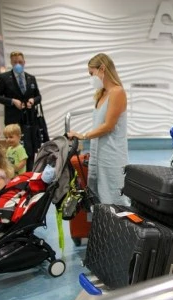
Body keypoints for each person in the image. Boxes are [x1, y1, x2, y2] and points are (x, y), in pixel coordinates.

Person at [67, 53, 130, 206]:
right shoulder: (101, 94)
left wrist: (83, 135)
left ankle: (118, 227)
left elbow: (108, 126)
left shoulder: (117, 92)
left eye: (91, 73)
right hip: (98, 152)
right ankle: (102, 225)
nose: (91, 78)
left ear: (102, 69)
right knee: (97, 193)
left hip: (112, 153)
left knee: (114, 193)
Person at [0, 51, 42, 171]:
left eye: (20, 62)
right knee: (15, 148)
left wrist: (32, 101)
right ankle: (14, 174)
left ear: (24, 62)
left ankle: (29, 174)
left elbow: (38, 97)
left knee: (29, 149)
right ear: (11, 63)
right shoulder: (4, 78)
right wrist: (12, 101)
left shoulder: (31, 78)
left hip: (29, 119)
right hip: (13, 120)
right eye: (15, 62)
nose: (18, 64)